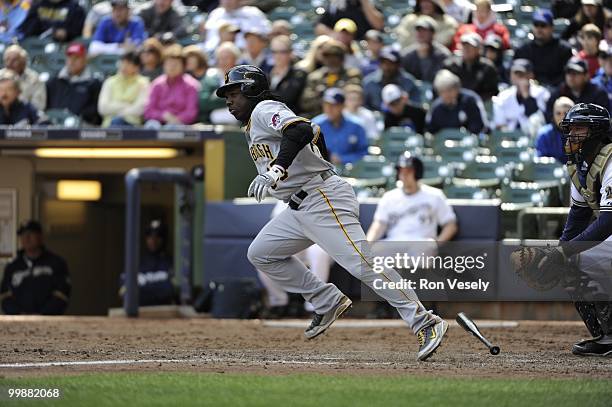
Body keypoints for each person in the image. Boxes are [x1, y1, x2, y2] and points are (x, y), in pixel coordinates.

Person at [216, 64, 449, 360]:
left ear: (251, 90)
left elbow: (300, 130)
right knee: (261, 253)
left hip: (321, 197)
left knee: (364, 264)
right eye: (227, 95)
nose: (229, 100)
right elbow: (313, 130)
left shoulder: (264, 108)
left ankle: (424, 321)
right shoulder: (254, 122)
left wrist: (277, 168)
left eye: (234, 93)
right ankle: (325, 299)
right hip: (299, 206)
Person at [536, 103, 612, 356]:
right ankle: (606, 337)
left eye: (579, 129)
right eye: (569, 130)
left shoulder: (610, 160)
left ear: (596, 132)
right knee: (567, 263)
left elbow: (607, 222)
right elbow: (578, 218)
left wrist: (563, 252)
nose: (571, 136)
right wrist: (556, 254)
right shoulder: (581, 166)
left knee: (573, 258)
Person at [366, 152, 458, 253]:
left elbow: (450, 225)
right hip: (395, 242)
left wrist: (436, 245)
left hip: (421, 243)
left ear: (417, 173)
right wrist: (366, 246)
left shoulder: (435, 196)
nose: (403, 175)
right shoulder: (389, 197)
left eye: (408, 171)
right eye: (401, 171)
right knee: (376, 250)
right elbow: (378, 225)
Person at [257, 201, 332, 318]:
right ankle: (278, 302)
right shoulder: (285, 196)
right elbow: (276, 229)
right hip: (293, 244)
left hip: (319, 242)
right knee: (261, 255)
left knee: (318, 252)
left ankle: (314, 306)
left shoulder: (324, 193)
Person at [0, 221, 71, 315]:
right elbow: (5, 296)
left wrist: (42, 315)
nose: (26, 238)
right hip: (19, 322)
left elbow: (62, 294)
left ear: (40, 236)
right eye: (23, 235)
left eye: (30, 234)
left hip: (49, 322)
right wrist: (19, 314)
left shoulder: (56, 263)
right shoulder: (12, 267)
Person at [299, 40, 361, 118]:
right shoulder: (314, 77)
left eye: (335, 56)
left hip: (344, 116)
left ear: (342, 59)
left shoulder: (352, 74)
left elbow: (353, 97)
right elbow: (305, 103)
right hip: (317, 115)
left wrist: (330, 90)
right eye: (327, 56)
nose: (331, 60)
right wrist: (319, 96)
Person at [119, 220, 175, 306]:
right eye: (150, 236)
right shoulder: (136, 262)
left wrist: (142, 289)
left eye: (158, 236)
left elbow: (170, 291)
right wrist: (157, 289)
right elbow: (125, 292)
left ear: (164, 239)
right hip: (139, 314)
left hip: (164, 313)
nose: (153, 240)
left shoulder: (171, 262)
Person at [45, 42, 103, 126]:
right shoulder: (53, 81)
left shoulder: (94, 83)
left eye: (76, 58)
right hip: (54, 124)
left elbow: (95, 112)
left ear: (84, 59)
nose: (72, 61)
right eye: (69, 57)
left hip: (83, 127)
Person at [514, 9, 574, 87]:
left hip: (556, 92)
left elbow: (567, 76)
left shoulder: (564, 49)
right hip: (528, 91)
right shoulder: (522, 50)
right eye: (536, 25)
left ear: (552, 27)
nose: (539, 29)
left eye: (543, 25)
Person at [144, 44, 200, 127]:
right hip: (158, 123)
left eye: (176, 64)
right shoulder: (157, 84)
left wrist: (177, 119)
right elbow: (148, 111)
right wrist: (163, 115)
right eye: (169, 63)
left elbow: (191, 112)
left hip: (182, 125)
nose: (172, 67)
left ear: (183, 66)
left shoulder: (191, 85)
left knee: (172, 128)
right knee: (151, 125)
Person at [492, 59, 550, 137]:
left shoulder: (542, 93)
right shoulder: (503, 96)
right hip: (509, 138)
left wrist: (526, 96)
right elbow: (500, 124)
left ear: (531, 75)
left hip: (533, 137)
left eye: (521, 74)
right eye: (515, 73)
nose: (518, 77)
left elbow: (540, 120)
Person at [312, 88, 368, 166]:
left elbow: (364, 154)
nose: (329, 109)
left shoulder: (356, 126)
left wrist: (343, 159)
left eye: (333, 105)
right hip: (321, 171)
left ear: (342, 106)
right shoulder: (315, 124)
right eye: (326, 105)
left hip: (350, 173)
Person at [426, 69, 488, 134]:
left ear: (457, 88)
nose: (447, 95)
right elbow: (431, 130)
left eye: (449, 90)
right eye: (442, 91)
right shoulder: (436, 107)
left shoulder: (470, 100)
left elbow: (479, 125)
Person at [546, 58, 610, 122]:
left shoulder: (598, 93)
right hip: (561, 130)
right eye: (568, 72)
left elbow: (603, 118)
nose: (571, 76)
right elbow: (549, 115)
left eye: (575, 73)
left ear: (586, 75)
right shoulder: (559, 92)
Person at [98, 51, 149, 127]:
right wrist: (127, 105)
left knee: (117, 121)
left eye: (128, 63)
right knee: (115, 122)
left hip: (132, 126)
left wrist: (116, 110)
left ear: (136, 67)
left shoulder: (143, 82)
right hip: (108, 127)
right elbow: (102, 108)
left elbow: (140, 109)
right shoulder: (109, 82)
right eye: (122, 63)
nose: (124, 66)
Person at [443, 32, 499, 101]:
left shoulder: (488, 68)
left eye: (470, 46)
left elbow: (492, 93)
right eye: (464, 45)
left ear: (479, 49)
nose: (466, 49)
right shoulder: (451, 65)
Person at [363, 46, 420, 111]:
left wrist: (404, 103)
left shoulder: (408, 82)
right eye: (383, 62)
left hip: (401, 118)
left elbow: (417, 105)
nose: (386, 67)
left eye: (390, 63)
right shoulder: (369, 82)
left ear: (398, 65)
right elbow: (363, 107)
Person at [203, 0, 270, 54]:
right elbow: (209, 43)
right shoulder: (215, 14)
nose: (227, 1)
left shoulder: (254, 13)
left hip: (247, 56)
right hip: (219, 55)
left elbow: (266, 38)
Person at [198, 41, 240, 124]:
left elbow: (247, 101)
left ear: (235, 60)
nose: (223, 61)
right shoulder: (209, 77)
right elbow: (204, 102)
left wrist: (217, 97)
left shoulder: (243, 77)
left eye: (227, 58)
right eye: (221, 58)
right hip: (212, 125)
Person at [400, 15, 451, 83]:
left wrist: (425, 59)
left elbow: (438, 80)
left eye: (424, 30)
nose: (420, 33)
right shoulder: (406, 55)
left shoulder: (443, 54)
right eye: (418, 30)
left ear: (433, 33)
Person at [0, 45, 46, 111]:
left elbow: (39, 106)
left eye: (14, 60)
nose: (9, 63)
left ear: (23, 62)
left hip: (26, 117)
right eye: (7, 60)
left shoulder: (35, 79)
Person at [268, 35, 307, 113]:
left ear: (290, 53)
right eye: (274, 52)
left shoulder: (299, 75)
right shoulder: (267, 73)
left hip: (291, 118)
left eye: (282, 52)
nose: (277, 56)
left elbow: (288, 99)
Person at [18, 0, 85, 42]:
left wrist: (67, 33)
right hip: (38, 47)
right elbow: (26, 29)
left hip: (64, 47)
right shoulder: (37, 6)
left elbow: (79, 31)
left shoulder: (75, 8)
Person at [315, 0, 384, 40]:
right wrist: (339, 36)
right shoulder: (335, 4)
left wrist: (365, 3)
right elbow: (319, 27)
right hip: (340, 45)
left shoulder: (370, 4)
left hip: (364, 45)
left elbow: (379, 25)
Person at [535, 96, 574, 162]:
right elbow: (540, 165)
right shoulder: (544, 135)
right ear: (553, 114)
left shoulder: (581, 133)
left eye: (566, 113)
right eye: (558, 113)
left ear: (573, 114)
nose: (562, 117)